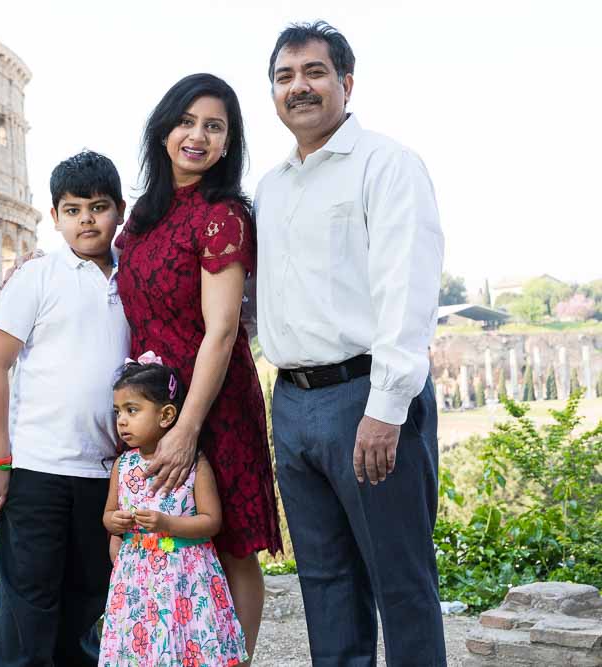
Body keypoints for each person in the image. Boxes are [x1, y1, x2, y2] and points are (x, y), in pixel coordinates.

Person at [254, 21, 447, 665]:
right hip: (294, 403)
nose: (298, 87)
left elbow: (408, 293)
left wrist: (386, 409)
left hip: (367, 396)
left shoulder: (387, 165)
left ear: (346, 82)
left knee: (402, 583)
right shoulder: (271, 187)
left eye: (313, 72)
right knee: (326, 585)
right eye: (284, 77)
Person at [115, 72, 283, 664]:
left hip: (213, 403)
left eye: (214, 127)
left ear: (228, 143)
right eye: (187, 121)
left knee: (231, 544)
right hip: (153, 404)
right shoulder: (140, 216)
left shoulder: (223, 214)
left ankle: (234, 658)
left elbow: (223, 329)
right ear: (163, 130)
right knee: (156, 538)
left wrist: (187, 427)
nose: (198, 135)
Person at [0, 150, 130, 667]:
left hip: (105, 474)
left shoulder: (134, 278)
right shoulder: (36, 277)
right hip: (38, 470)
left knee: (88, 605)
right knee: (28, 608)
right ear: (56, 216)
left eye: (99, 207)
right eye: (73, 208)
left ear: (119, 211)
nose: (87, 219)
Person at [100, 355, 247, 667]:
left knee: (184, 646)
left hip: (184, 577)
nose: (122, 421)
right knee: (146, 649)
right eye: (118, 413)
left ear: (166, 415)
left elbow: (211, 522)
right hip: (138, 581)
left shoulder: (193, 464)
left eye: (132, 410)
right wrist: (116, 521)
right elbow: (108, 515)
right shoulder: (123, 466)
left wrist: (167, 523)